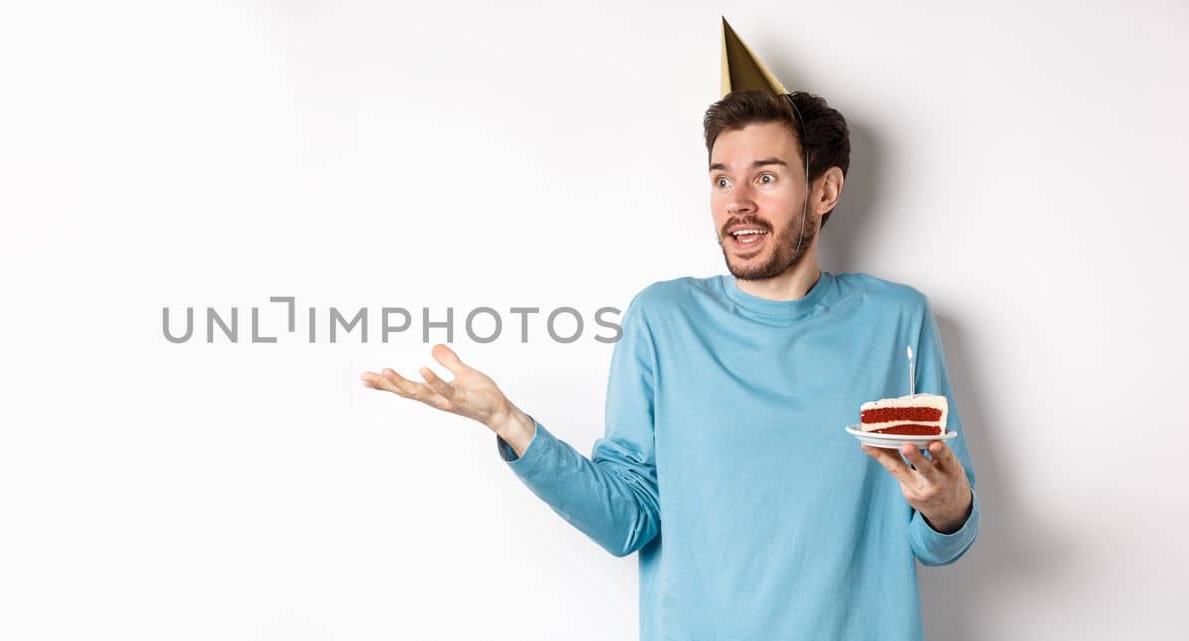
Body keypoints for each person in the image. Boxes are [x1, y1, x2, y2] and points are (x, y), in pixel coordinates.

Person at [359, 18, 980, 641]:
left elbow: (943, 540)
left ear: (825, 189)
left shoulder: (894, 320)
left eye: (765, 177)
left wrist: (945, 506)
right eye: (720, 178)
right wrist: (509, 423)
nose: (737, 201)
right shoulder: (663, 320)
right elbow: (628, 518)